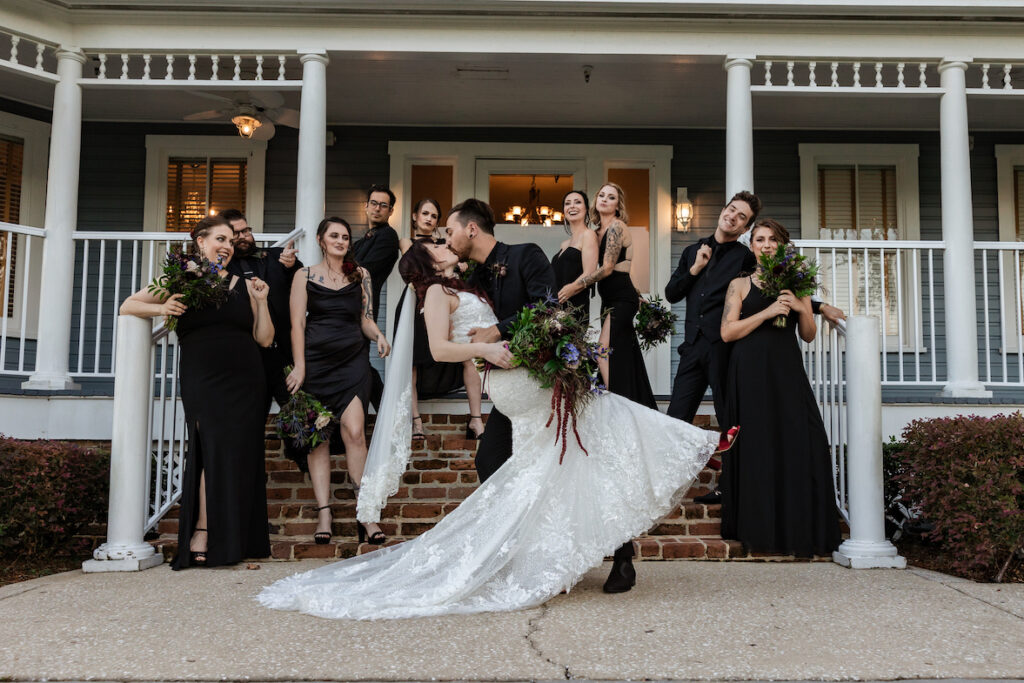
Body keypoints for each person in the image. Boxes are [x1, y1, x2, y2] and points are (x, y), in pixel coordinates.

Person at [257, 238, 732, 620]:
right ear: (427, 260)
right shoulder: (436, 295)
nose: (447, 244)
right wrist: (486, 351)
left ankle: (558, 547)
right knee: (601, 424)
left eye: (448, 238)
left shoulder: (468, 285)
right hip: (513, 384)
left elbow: (507, 320)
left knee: (579, 445)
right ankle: (697, 444)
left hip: (524, 379)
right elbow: (442, 350)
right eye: (439, 244)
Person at [666, 191, 844, 504]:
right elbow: (671, 293)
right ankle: (665, 482)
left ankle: (728, 485)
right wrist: (695, 268)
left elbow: (773, 284)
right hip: (693, 349)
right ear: (723, 210)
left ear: (745, 227)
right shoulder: (693, 250)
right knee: (676, 416)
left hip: (725, 348)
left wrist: (819, 306)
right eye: (731, 211)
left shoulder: (746, 256)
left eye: (741, 217)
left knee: (731, 419)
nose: (732, 217)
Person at [120, 215, 274, 569]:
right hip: (203, 377)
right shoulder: (182, 277)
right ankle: (202, 530)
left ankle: (236, 537)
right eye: (220, 239)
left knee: (238, 454)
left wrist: (262, 301)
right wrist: (163, 307)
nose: (227, 246)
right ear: (200, 242)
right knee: (209, 448)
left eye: (231, 242)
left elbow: (264, 338)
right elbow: (129, 305)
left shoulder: (244, 283)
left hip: (245, 379)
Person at [719, 218, 841, 557]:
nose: (767, 244)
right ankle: (758, 530)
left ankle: (799, 529)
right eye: (760, 239)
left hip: (785, 369)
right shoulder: (739, 285)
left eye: (773, 239)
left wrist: (805, 307)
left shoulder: (796, 283)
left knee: (803, 439)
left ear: (781, 245)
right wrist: (768, 311)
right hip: (749, 370)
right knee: (758, 445)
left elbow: (808, 333)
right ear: (751, 246)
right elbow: (727, 333)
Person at [557, 182, 655, 592]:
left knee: (604, 355)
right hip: (611, 301)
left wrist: (574, 287)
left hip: (619, 302)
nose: (604, 200)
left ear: (619, 203)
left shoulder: (613, 231)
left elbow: (605, 269)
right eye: (601, 196)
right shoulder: (595, 233)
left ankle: (617, 399)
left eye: (611, 196)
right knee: (602, 354)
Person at [286, 217, 391, 546]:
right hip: (315, 365)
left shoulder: (361, 275)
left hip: (352, 364)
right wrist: (300, 368)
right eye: (334, 235)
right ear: (321, 240)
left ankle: (367, 512)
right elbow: (296, 327)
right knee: (318, 438)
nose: (341, 240)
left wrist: (379, 335)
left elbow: (365, 318)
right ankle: (324, 511)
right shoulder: (303, 276)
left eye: (345, 236)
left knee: (356, 432)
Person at [445, 198, 556, 481]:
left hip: (544, 381)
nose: (446, 240)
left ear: (471, 229)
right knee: (489, 461)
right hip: (509, 386)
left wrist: (497, 330)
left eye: (449, 231)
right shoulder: (472, 278)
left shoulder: (525, 255)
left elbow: (549, 307)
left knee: (542, 468)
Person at [396, 198, 484, 440]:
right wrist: (454, 261)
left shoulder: (446, 243)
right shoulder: (408, 242)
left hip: (446, 299)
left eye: (434, 216)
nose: (429, 219)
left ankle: (476, 419)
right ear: (414, 216)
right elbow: (421, 267)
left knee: (467, 352)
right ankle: (416, 421)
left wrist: (453, 260)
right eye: (424, 213)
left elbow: (458, 262)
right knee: (412, 362)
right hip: (416, 303)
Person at [220, 208, 302, 415]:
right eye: (236, 234)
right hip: (247, 356)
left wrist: (292, 265)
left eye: (245, 231)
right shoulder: (221, 268)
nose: (243, 237)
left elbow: (301, 281)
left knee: (299, 417)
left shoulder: (276, 256)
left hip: (283, 353)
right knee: (251, 418)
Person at [352, 184, 401, 411]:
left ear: (391, 211)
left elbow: (362, 269)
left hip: (363, 307)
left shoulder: (388, 237)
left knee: (360, 361)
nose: (377, 208)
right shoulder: (362, 241)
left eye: (384, 205)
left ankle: (386, 412)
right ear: (366, 206)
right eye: (374, 203)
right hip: (347, 305)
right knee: (357, 361)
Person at [552, 190, 599, 324]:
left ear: (586, 209)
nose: (572, 206)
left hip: (575, 306)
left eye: (577, 202)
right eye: (567, 203)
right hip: (556, 307)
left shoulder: (588, 235)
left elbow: (590, 273)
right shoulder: (564, 244)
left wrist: (572, 288)